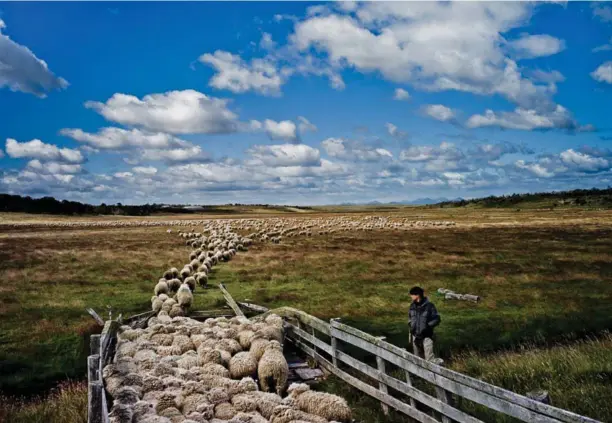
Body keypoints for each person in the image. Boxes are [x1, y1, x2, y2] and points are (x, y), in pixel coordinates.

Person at [408, 286, 440, 361]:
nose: (410, 296)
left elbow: (437, 319)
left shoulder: (430, 306)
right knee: (417, 360)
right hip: (415, 337)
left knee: (429, 360)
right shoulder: (412, 306)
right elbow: (409, 318)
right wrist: (410, 325)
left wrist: (428, 327)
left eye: (412, 294)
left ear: (417, 295)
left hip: (427, 337)